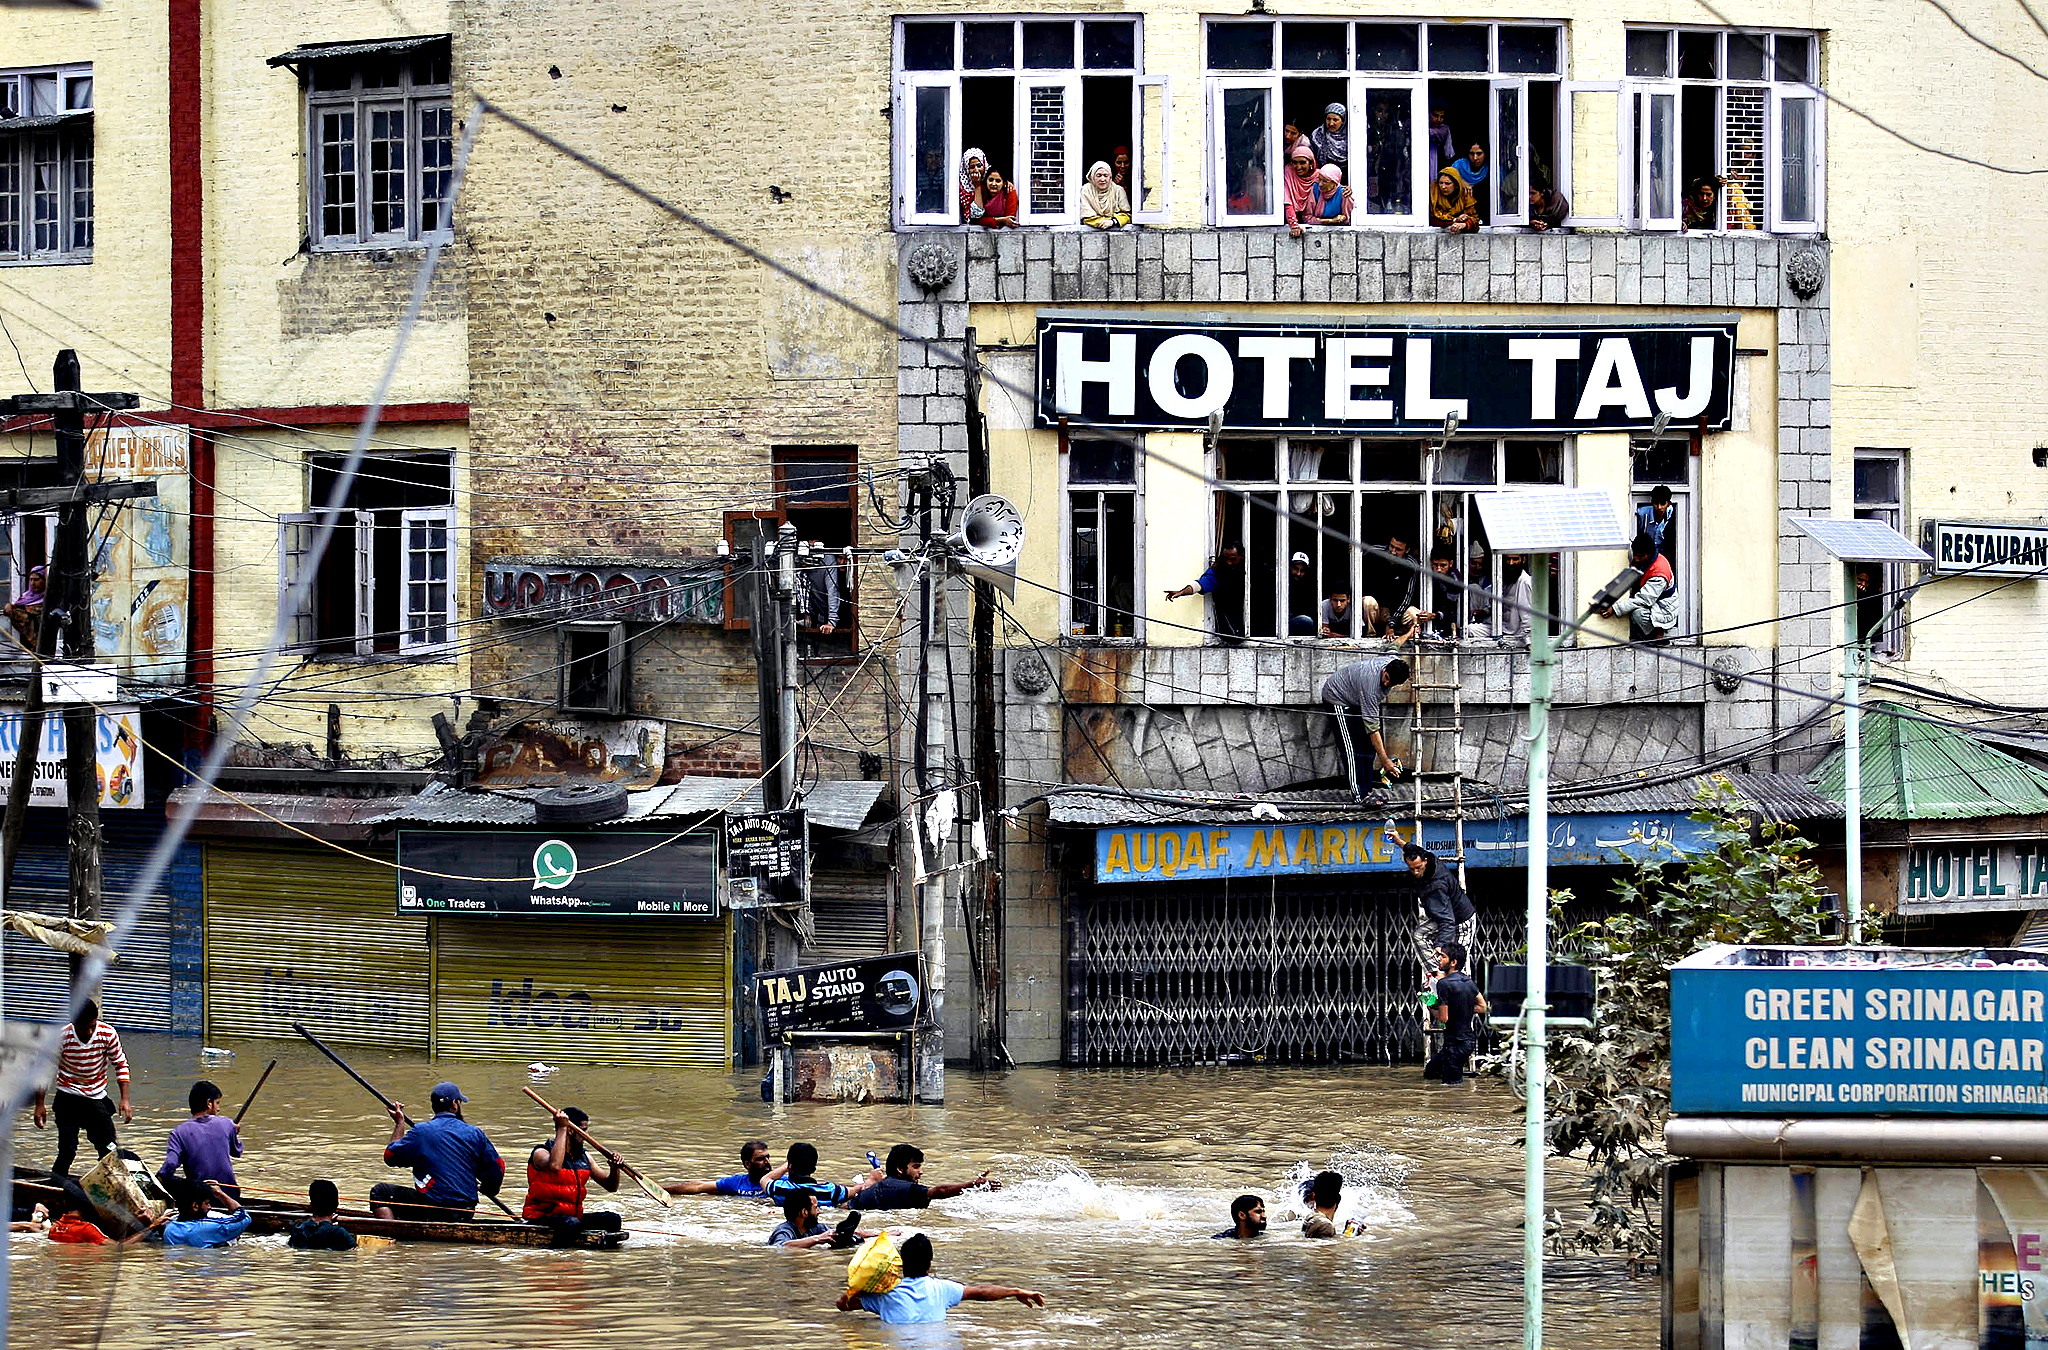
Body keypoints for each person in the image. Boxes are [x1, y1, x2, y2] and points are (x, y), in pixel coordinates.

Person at [836, 1232, 1045, 1324]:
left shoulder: (884, 1296)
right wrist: (1016, 1291)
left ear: (900, 1265)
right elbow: (981, 1292)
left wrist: (860, 1286)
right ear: (929, 1265)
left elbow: (843, 1305)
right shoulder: (942, 1289)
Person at [371, 1081, 505, 1221]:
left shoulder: (421, 1132)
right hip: (466, 1212)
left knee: (380, 1192)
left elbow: (390, 1156)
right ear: (454, 1104)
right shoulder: (475, 1133)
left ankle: (392, 1231)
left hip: (432, 1210)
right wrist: (488, 1189)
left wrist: (399, 1124)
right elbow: (498, 1168)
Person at [33, 999, 131, 1179]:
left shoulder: (108, 1034)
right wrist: (40, 1104)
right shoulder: (61, 1037)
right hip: (67, 1098)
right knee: (67, 1150)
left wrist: (124, 1099)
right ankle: (56, 1183)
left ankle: (112, 1185)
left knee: (109, 1148)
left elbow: (120, 1064)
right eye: (84, 1028)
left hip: (96, 1098)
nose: (89, 1032)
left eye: (92, 1026)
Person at [523, 1106, 624, 1243]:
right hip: (542, 1218)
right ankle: (558, 1253)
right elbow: (555, 1165)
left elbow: (611, 1186)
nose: (587, 1136)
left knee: (613, 1220)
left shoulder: (584, 1157)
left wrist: (614, 1169)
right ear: (570, 1130)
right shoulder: (541, 1152)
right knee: (571, 1223)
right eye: (583, 1130)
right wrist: (562, 1128)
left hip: (572, 1218)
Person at [1320, 656, 1412, 800]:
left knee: (1368, 748)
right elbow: (1372, 729)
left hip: (1356, 700)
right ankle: (1360, 796)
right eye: (1386, 678)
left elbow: (1393, 648)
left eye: (1391, 684)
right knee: (1352, 749)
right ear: (1385, 669)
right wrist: (1385, 760)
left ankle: (1367, 791)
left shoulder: (1393, 660)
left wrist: (1405, 637)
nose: (1386, 683)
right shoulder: (1371, 688)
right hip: (1337, 698)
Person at [157, 1079, 244, 1201]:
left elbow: (171, 1164)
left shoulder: (178, 1132)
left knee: (169, 1180)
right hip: (231, 1194)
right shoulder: (227, 1124)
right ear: (209, 1103)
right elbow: (237, 1151)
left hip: (201, 1196)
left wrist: (158, 1181)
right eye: (217, 1103)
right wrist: (233, 1133)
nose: (218, 1108)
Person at [849, 1143, 999, 1210]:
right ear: (900, 1169)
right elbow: (940, 1191)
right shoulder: (906, 1189)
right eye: (916, 1167)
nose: (921, 1172)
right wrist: (972, 1185)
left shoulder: (878, 1188)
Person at [1424, 941, 1488, 1086]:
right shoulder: (1468, 982)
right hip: (1467, 1042)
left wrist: (1430, 1005)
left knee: (1451, 1086)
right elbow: (1483, 1007)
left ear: (1453, 962)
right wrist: (1460, 1007)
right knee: (1431, 1071)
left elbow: (1443, 1018)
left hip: (1454, 1044)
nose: (1439, 959)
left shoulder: (1444, 984)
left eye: (1443, 956)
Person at [1598, 532, 1679, 642]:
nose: (1636, 559)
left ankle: (1658, 634)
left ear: (1649, 554)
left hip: (1664, 608)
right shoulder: (1645, 560)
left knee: (1638, 614)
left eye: (1640, 556)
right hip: (1653, 602)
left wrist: (1615, 608)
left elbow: (1643, 600)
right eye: (1635, 555)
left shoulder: (1659, 573)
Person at [1405, 842, 1476, 965]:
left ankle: (1448, 972)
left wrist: (1440, 945)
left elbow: (1447, 921)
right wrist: (1398, 840)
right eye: (1412, 869)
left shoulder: (1436, 888)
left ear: (1425, 861)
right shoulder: (1430, 859)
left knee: (1456, 964)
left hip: (1461, 920)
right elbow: (1411, 848)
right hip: (1446, 916)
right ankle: (1436, 972)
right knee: (1420, 935)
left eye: (1418, 868)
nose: (1415, 872)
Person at [1163, 544, 1246, 644]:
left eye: (1232, 559)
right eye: (1225, 558)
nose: (1228, 562)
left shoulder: (1250, 568)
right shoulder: (1219, 569)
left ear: (1242, 556)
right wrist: (1181, 592)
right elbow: (1201, 584)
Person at [134, 1178, 251, 1248]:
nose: (209, 1207)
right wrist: (220, 1194)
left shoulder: (169, 1229)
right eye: (207, 1203)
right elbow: (244, 1216)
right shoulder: (208, 1227)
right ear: (195, 1206)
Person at [665, 1138, 777, 1197]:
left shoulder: (781, 1182)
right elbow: (698, 1187)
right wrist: (662, 1190)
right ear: (747, 1164)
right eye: (760, 1159)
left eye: (768, 1157)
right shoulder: (736, 1183)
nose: (767, 1162)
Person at [1363, 530, 1423, 638]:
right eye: (1392, 547)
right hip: (1378, 610)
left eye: (1398, 549)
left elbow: (1407, 598)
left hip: (1398, 612)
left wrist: (1392, 622)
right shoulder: (1375, 552)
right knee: (1368, 602)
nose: (1393, 552)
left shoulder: (1411, 565)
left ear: (1407, 550)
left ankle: (1401, 636)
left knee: (1415, 615)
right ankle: (1370, 636)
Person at [765, 1142, 852, 1208]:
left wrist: (786, 1166)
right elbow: (856, 1190)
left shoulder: (778, 1188)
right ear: (814, 1168)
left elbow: (765, 1179)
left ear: (790, 1166)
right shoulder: (830, 1190)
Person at [287, 1180, 358, 1251]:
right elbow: (354, 1251)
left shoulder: (298, 1229)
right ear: (336, 1205)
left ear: (310, 1206)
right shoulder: (340, 1233)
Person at [1636, 486, 1680, 584]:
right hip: (1646, 553)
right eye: (1656, 503)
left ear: (1668, 504)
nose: (1659, 507)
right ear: (1652, 502)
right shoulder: (1642, 513)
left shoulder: (1674, 514)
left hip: (1664, 553)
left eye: (1663, 504)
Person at [1423, 545, 1463, 639]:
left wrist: (1434, 615)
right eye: (1435, 565)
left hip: (1448, 620)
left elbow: (1451, 609)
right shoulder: (1426, 576)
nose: (1438, 569)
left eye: (1443, 565)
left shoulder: (1455, 581)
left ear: (1451, 563)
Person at [1298, 164, 1353, 231]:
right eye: (1319, 180)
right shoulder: (1315, 189)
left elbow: (1346, 221)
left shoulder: (1344, 194)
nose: (1320, 184)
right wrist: (1330, 221)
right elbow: (1307, 218)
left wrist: (1339, 219)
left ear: (1334, 182)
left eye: (1325, 181)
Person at [5, 563, 46, 650]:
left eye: (36, 580)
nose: (33, 583)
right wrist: (9, 607)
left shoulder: (49, 598)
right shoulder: (26, 597)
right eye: (31, 580)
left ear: (44, 579)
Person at [1079, 160, 1130, 229]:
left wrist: (1112, 222)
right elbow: (1086, 217)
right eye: (1099, 176)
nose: (1102, 179)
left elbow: (1127, 215)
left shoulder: (1118, 190)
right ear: (1092, 176)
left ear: (1110, 177)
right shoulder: (1086, 190)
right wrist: (1104, 222)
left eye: (1106, 176)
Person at [1281, 141, 1319, 234]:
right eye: (1295, 162)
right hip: (1289, 219)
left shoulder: (1319, 176)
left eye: (1302, 162)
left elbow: (1334, 190)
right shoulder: (1289, 172)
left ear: (1311, 163)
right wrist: (1294, 225)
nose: (1298, 167)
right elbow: (1287, 201)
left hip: (1315, 222)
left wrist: (1346, 190)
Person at [1429, 167, 1479, 234]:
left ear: (1456, 185)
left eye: (1447, 183)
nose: (1443, 187)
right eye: (1441, 183)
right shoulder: (1433, 194)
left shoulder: (1464, 196)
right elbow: (1432, 219)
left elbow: (1475, 220)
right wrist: (1455, 220)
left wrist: (1464, 224)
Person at [1498, 552, 1534, 641]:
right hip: (1501, 627)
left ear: (1523, 560)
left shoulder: (1524, 582)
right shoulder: (1508, 579)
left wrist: (1529, 641)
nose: (1511, 563)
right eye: (1508, 559)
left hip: (1515, 633)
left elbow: (1527, 615)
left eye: (1515, 559)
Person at [1301, 1171, 1346, 1239]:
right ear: (1338, 1199)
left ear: (1313, 1196)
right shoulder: (1326, 1225)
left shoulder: (1310, 1217)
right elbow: (1327, 1245)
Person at [1310, 103, 1348, 176]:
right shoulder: (1317, 135)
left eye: (1335, 120)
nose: (1331, 123)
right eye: (1328, 119)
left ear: (1343, 121)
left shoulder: (1351, 138)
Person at [1287, 552, 1318, 635]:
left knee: (1306, 621)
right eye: (1296, 569)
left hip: (1298, 627)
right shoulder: (1279, 583)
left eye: (1302, 571)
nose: (1298, 574)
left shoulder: (1309, 589)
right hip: (1276, 628)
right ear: (1290, 567)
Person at [957, 148, 988, 219]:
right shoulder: (963, 188)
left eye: (979, 166)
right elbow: (976, 214)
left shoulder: (991, 180)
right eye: (972, 167)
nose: (976, 170)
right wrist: (977, 185)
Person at [1426, 105, 1454, 176]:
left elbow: (1431, 133)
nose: (1439, 120)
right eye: (1435, 115)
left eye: (1442, 117)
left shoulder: (1443, 129)